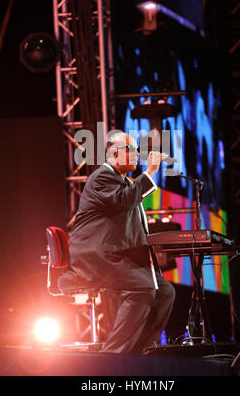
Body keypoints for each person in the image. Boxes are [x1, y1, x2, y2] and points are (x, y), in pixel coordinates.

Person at [60, 131, 176, 354]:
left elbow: (133, 213)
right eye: (131, 150)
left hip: (117, 255)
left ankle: (138, 351)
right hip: (96, 257)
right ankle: (113, 357)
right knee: (142, 289)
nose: (137, 155)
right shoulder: (101, 178)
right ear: (113, 152)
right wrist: (150, 172)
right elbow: (125, 200)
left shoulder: (123, 181)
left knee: (164, 292)